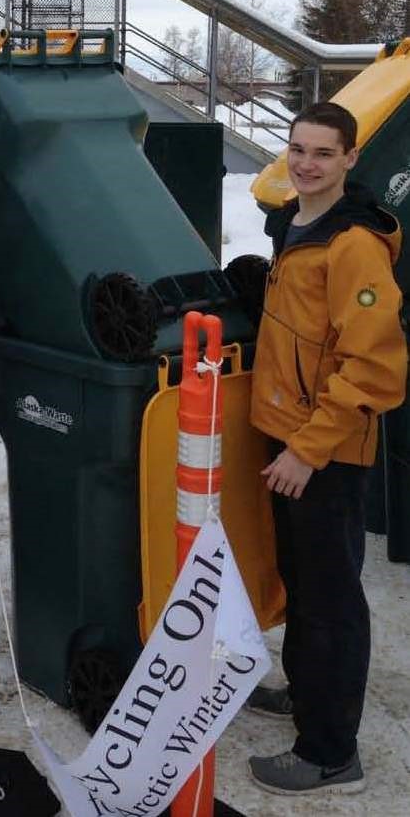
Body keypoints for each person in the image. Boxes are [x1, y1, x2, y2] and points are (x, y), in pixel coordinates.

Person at [246, 102, 407, 795]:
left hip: (326, 451)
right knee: (303, 583)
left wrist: (308, 450)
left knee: (330, 598)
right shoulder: (295, 222)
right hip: (288, 434)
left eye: (322, 152)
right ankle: (308, 694)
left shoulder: (353, 245)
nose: (306, 163)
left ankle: (330, 750)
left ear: (348, 160)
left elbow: (373, 367)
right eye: (296, 150)